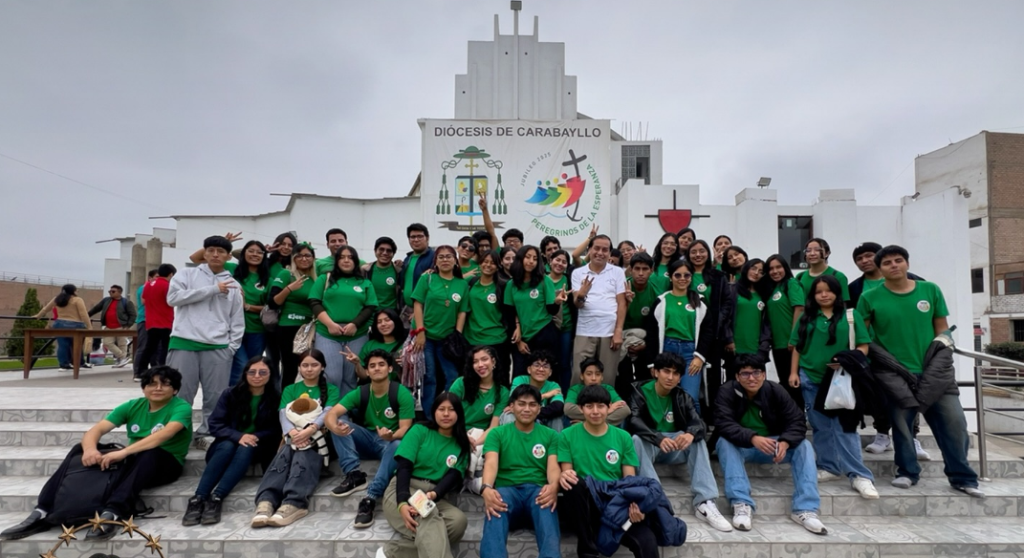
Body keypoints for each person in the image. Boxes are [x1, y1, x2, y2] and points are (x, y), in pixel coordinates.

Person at [0, 366, 191, 541]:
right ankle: (42, 510)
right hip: (133, 459)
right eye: (152, 384)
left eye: (165, 385)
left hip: (165, 463)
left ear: (174, 390)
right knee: (79, 448)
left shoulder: (180, 407)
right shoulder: (133, 405)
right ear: (143, 389)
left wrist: (123, 452)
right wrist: (90, 450)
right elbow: (95, 431)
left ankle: (113, 513)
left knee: (150, 452)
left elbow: (164, 435)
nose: (157, 388)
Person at [856, 245, 983, 497]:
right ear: (880, 269)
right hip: (895, 373)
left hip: (933, 372)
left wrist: (939, 364)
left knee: (954, 423)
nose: (894, 265)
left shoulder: (930, 290)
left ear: (907, 263)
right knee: (902, 426)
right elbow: (863, 335)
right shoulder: (869, 297)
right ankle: (906, 472)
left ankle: (962, 477)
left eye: (898, 260)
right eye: (888, 263)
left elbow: (942, 331)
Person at [558, 385, 681, 558]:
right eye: (589, 406)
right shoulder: (567, 435)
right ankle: (587, 552)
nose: (595, 411)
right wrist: (563, 475)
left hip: (615, 504)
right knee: (572, 482)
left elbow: (629, 481)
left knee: (647, 541)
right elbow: (568, 473)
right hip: (586, 504)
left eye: (601, 406)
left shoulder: (623, 437)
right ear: (580, 408)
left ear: (609, 408)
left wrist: (634, 507)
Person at [788, 275, 879, 498]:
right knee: (821, 426)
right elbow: (798, 347)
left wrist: (849, 359)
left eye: (828, 291)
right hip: (811, 378)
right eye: (819, 292)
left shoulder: (850, 316)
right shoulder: (807, 318)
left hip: (841, 379)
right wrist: (793, 373)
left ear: (837, 293)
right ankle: (828, 466)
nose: (824, 295)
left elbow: (863, 345)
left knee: (845, 427)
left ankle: (859, 474)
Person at [714, 354, 826, 534]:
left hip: (773, 445)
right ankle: (741, 504)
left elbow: (797, 421)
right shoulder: (726, 391)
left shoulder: (775, 391)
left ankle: (805, 509)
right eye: (745, 374)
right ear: (737, 376)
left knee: (804, 446)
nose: (751, 378)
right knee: (724, 442)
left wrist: (785, 441)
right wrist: (752, 437)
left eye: (756, 373)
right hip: (744, 445)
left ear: (764, 375)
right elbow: (723, 423)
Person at [627, 352, 732, 532]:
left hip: (674, 447)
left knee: (696, 440)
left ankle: (705, 502)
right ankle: (656, 498)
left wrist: (690, 433)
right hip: (651, 446)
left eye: (675, 373)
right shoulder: (639, 391)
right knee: (636, 439)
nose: (670, 377)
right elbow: (634, 421)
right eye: (666, 371)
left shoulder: (683, 396)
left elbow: (698, 422)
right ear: (655, 372)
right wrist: (658, 438)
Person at [847, 242, 927, 457]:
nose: (864, 261)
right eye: (859, 258)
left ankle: (913, 437)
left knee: (910, 394)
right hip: (872, 349)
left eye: (869, 256)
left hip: (907, 350)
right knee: (878, 394)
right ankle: (882, 434)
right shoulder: (855, 288)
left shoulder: (916, 282)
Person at [184, 356, 282, 526]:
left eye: (262, 372)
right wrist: (239, 436)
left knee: (247, 446)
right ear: (245, 374)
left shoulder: (276, 397)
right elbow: (215, 424)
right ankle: (198, 498)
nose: (257, 376)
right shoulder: (230, 394)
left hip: (257, 448)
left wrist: (254, 436)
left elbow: (276, 429)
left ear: (270, 374)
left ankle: (217, 498)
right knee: (229, 444)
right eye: (252, 372)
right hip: (224, 447)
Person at [326, 350, 416, 528]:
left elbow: (405, 429)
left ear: (390, 368)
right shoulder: (362, 391)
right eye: (372, 366)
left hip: (390, 442)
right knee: (341, 423)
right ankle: (354, 474)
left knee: (398, 444)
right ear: (366, 372)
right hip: (367, 439)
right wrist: (334, 427)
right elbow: (332, 413)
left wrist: (391, 435)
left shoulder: (401, 393)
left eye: (381, 365)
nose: (376, 369)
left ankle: (370, 498)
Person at [166, 235, 245, 439]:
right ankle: (178, 432)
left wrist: (231, 348)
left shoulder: (234, 285)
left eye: (220, 252)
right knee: (181, 393)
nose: (215, 255)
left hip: (217, 347)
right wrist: (212, 290)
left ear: (228, 256)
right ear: (205, 253)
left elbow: (237, 319)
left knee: (215, 397)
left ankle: (208, 433)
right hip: (184, 342)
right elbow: (173, 299)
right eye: (210, 250)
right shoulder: (186, 275)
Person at [252, 349, 339, 528]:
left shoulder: (332, 389)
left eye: (314, 365)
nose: (309, 369)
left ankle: (294, 502)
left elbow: (328, 413)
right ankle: (267, 500)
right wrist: (292, 433)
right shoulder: (290, 389)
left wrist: (309, 430)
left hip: (320, 437)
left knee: (303, 448)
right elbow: (283, 414)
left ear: (322, 367)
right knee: (287, 451)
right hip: (293, 437)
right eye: (305, 365)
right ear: (299, 367)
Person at [379, 392, 471, 558]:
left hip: (432, 495)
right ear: (434, 411)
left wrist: (434, 495)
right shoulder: (419, 430)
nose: (445, 414)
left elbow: (453, 476)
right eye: (441, 409)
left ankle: (393, 552)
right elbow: (404, 467)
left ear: (459, 413)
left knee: (458, 522)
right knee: (428, 515)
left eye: (451, 409)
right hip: (404, 488)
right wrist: (402, 502)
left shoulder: (462, 444)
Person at [480, 384, 561, 558]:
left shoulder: (551, 435)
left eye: (532, 405)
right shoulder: (497, 434)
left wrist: (554, 486)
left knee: (546, 502)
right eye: (521, 404)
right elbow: (491, 463)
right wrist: (486, 487)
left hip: (536, 491)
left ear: (539, 408)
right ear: (511, 406)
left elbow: (553, 466)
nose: (526, 409)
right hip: (507, 490)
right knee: (495, 502)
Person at [309, 245, 378, 394]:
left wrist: (355, 324)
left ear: (356, 261)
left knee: (350, 377)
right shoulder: (324, 279)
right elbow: (314, 302)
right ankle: (329, 412)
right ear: (336, 261)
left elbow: (370, 306)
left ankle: (345, 415)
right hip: (328, 333)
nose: (346, 261)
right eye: (342, 257)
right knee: (331, 376)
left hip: (356, 334)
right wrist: (330, 324)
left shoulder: (364, 282)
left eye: (350, 257)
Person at [654, 260, 717, 412]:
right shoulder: (661, 301)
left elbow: (708, 331)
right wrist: (653, 363)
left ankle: (696, 434)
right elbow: (652, 333)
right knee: (666, 395)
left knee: (691, 397)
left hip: (691, 354)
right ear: (670, 277)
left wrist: (700, 357)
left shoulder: (699, 302)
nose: (682, 278)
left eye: (686, 275)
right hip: (667, 351)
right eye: (678, 275)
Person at [412, 245, 469, 407]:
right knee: (430, 377)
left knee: (452, 376)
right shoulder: (427, 279)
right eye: (441, 257)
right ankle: (430, 416)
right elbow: (417, 305)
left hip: (447, 341)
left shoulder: (462, 284)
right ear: (435, 262)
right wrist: (420, 331)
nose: (445, 260)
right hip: (427, 338)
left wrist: (457, 335)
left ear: (455, 261)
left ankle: (448, 409)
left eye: (449, 256)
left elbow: (462, 312)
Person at [572, 234, 627, 386]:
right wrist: (582, 294)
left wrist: (618, 331)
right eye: (596, 248)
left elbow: (622, 303)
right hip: (585, 330)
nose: (600, 253)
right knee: (578, 374)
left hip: (609, 332)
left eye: (605, 249)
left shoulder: (617, 272)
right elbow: (577, 304)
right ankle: (575, 408)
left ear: (609, 253)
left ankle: (604, 408)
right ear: (589, 250)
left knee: (607, 377)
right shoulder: (578, 273)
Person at [686, 239, 732, 421]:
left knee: (712, 377)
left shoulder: (718, 276)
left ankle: (713, 416)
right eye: (694, 252)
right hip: (688, 333)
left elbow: (727, 302)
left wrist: (716, 323)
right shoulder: (684, 274)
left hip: (713, 334)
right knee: (690, 375)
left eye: (702, 251)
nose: (698, 255)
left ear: (708, 253)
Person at [506, 245, 567, 377]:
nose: (531, 261)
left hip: (544, 333)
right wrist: (518, 340)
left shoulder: (545, 280)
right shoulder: (511, 284)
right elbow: (509, 313)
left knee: (544, 374)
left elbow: (551, 310)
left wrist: (557, 302)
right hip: (522, 337)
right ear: (520, 259)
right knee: (520, 375)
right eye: (527, 257)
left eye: (535, 258)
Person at [268, 242, 316, 387]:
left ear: (313, 258)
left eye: (307, 255)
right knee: (289, 368)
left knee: (309, 367)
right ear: (293, 258)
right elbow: (273, 302)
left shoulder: (316, 278)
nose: (304, 259)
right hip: (288, 327)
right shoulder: (286, 274)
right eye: (299, 255)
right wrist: (289, 288)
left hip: (308, 329)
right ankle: (284, 405)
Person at [225, 240, 271, 387]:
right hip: (232, 329)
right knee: (240, 366)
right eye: (251, 251)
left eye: (259, 252)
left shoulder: (267, 278)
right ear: (243, 253)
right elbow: (197, 258)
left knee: (252, 369)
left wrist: (248, 306)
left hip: (257, 330)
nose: (255, 255)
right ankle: (233, 399)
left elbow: (270, 306)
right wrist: (225, 242)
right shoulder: (232, 269)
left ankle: (250, 402)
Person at [463, 251, 512, 381]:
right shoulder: (470, 283)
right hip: (472, 338)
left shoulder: (503, 285)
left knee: (499, 378)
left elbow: (512, 310)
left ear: (498, 266)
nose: (488, 265)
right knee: (472, 379)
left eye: (492, 263)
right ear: (479, 264)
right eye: (485, 262)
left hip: (497, 339)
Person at [765, 254, 806, 407]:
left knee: (794, 382)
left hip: (791, 344)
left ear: (785, 268)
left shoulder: (791, 283)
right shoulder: (773, 288)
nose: (775, 271)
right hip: (778, 344)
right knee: (785, 381)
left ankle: (799, 418)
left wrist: (793, 338)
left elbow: (800, 308)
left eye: (778, 267)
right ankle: (792, 417)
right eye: (771, 269)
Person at [617, 252, 660, 395]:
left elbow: (657, 328)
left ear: (651, 270)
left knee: (645, 379)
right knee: (623, 379)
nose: (640, 273)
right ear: (630, 269)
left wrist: (644, 346)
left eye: (645, 269)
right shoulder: (620, 289)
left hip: (644, 342)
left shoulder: (656, 294)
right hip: (620, 340)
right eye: (637, 269)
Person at [722, 259, 773, 377]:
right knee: (733, 385)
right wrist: (728, 339)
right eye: (754, 268)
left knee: (755, 385)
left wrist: (764, 345)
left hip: (756, 350)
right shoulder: (733, 290)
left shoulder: (764, 294)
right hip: (735, 348)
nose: (756, 273)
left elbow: (767, 323)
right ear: (746, 269)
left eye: (761, 271)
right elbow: (725, 318)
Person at [450, 346, 509, 446]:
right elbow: (448, 414)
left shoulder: (502, 392)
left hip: (481, 436)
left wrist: (475, 443)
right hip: (456, 432)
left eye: (484, 359)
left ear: (493, 362)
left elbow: (493, 426)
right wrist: (464, 438)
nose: (480, 365)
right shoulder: (461, 383)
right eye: (475, 361)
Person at [35, 284, 92, 371]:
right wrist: (89, 326)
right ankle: (79, 363)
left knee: (62, 345)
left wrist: (37, 316)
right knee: (77, 345)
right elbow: (84, 314)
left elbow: (45, 309)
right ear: (73, 291)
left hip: (59, 324)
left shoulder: (57, 299)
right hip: (76, 325)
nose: (78, 292)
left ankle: (63, 365)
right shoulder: (77, 300)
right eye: (77, 290)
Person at [344, 307, 407, 383]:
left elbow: (407, 380)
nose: (383, 324)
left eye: (387, 320)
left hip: (395, 389)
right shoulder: (370, 345)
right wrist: (357, 363)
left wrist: (405, 364)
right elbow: (364, 377)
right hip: (372, 389)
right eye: (379, 322)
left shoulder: (405, 345)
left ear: (396, 321)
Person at [508, 351, 564, 430]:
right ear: (529, 369)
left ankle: (556, 442)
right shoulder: (520, 380)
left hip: (541, 417)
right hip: (521, 416)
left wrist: (534, 413)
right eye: (537, 365)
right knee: (509, 414)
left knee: (556, 418)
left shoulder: (553, 385)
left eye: (545, 366)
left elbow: (558, 406)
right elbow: (512, 400)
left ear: (550, 372)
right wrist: (545, 395)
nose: (541, 369)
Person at [565, 357, 631, 425]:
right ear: (582, 376)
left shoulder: (608, 389)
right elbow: (568, 409)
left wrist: (588, 424)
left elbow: (625, 410)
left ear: (602, 377)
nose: (593, 378)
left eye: (597, 374)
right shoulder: (575, 389)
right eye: (589, 374)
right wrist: (607, 411)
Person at [137, 264, 176, 375]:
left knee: (149, 347)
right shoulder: (168, 286)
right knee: (165, 347)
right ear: (171, 274)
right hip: (165, 321)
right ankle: (163, 369)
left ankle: (140, 371)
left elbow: (143, 301)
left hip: (151, 321)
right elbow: (172, 301)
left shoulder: (148, 285)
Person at [88, 284, 137, 368]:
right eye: (109, 291)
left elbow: (133, 315)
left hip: (121, 326)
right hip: (109, 327)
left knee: (122, 344)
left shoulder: (126, 302)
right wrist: (87, 315)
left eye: (113, 291)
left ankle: (121, 361)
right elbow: (96, 309)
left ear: (119, 292)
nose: (110, 293)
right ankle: (123, 357)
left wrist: (128, 326)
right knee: (107, 343)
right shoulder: (106, 301)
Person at [546, 249, 576, 391]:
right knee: (548, 362)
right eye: (557, 260)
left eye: (564, 262)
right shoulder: (542, 279)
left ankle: (565, 394)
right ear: (550, 261)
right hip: (547, 327)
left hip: (566, 327)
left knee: (564, 363)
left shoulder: (569, 279)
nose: (560, 264)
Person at [401, 223, 437, 327]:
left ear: (427, 238)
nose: (416, 240)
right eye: (412, 237)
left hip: (424, 312)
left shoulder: (434, 258)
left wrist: (420, 311)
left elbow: (434, 289)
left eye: (420, 236)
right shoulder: (408, 259)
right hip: (407, 310)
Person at [796, 238, 850, 302]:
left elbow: (844, 304)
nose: (812, 253)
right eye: (808, 250)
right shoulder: (800, 276)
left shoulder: (838, 276)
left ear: (827, 253)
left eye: (817, 250)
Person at [364, 236, 404, 311]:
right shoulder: (365, 270)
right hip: (370, 315)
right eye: (381, 249)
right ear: (375, 251)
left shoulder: (399, 271)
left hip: (391, 316)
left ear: (393, 253)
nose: (385, 253)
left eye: (389, 250)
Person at [132, 269, 158, 380]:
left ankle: (154, 371)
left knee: (155, 348)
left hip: (155, 321)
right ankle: (138, 372)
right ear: (150, 278)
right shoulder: (144, 288)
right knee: (143, 346)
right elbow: (144, 301)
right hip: (145, 320)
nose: (158, 279)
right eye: (156, 277)